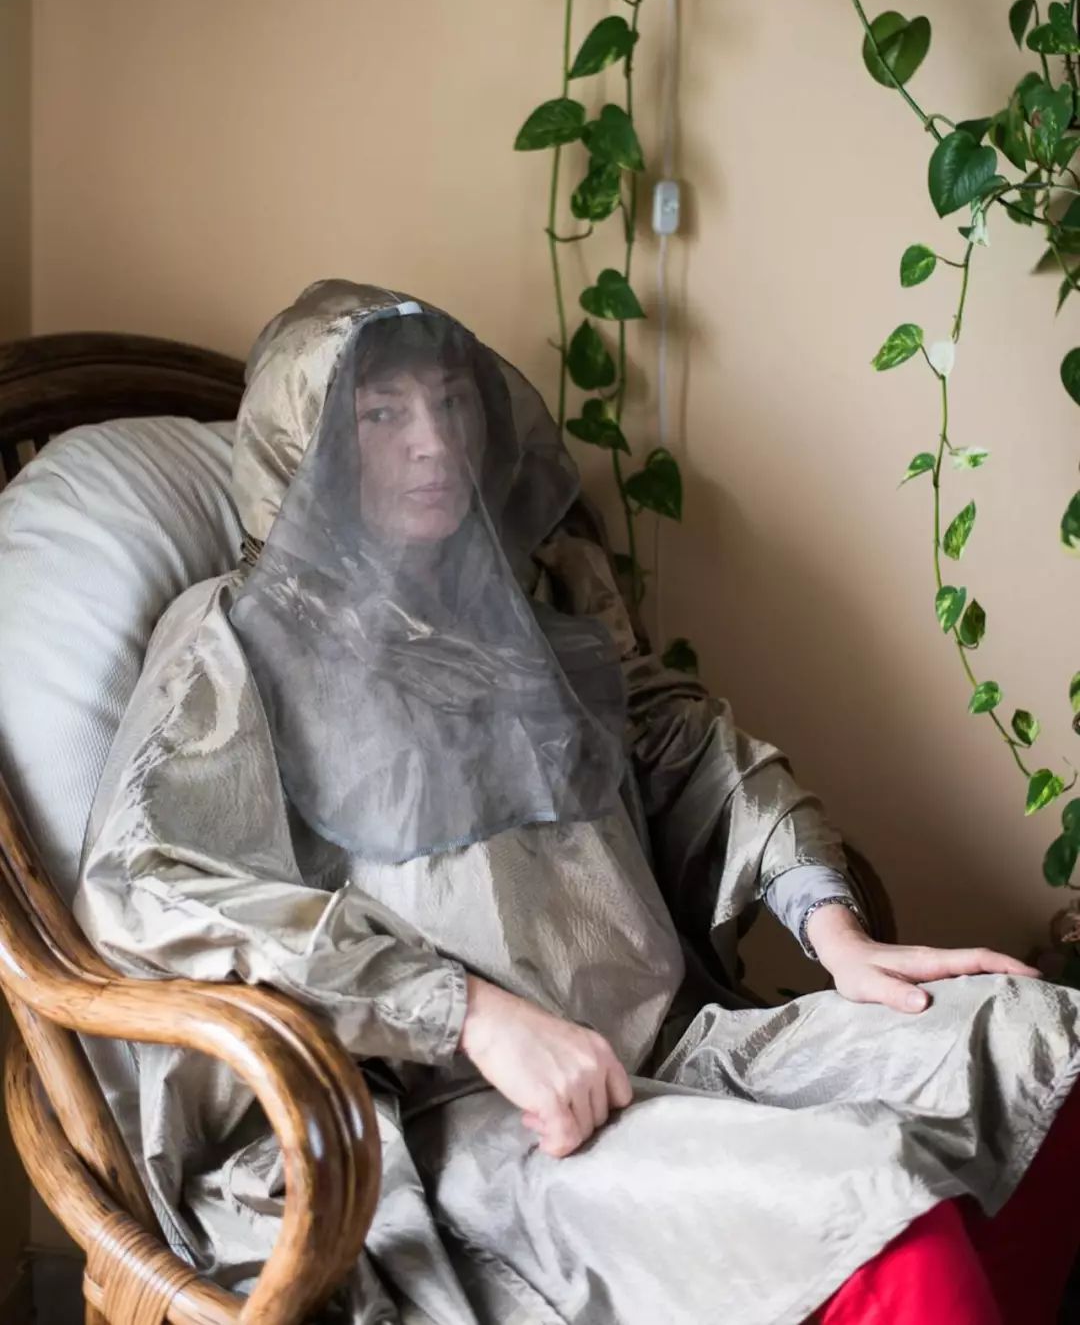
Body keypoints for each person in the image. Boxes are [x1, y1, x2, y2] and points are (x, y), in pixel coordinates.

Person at [75, 280, 1080, 1325]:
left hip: (683, 1048)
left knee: (1041, 1045)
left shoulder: (530, 602)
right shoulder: (237, 638)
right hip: (482, 1116)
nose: (434, 443)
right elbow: (148, 885)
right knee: (882, 1226)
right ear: (306, 448)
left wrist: (836, 932)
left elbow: (682, 741)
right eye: (381, 414)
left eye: (452, 402)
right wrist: (465, 1013)